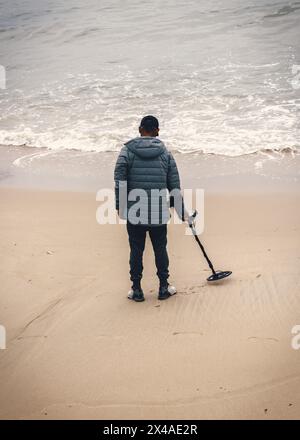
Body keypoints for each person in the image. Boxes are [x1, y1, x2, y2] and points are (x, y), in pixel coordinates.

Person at [114, 115, 190, 302]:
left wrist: (120, 207)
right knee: (160, 249)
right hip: (158, 213)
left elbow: (120, 183)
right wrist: (182, 213)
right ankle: (164, 287)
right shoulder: (166, 154)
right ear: (157, 131)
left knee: (136, 250)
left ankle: (137, 290)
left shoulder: (126, 152)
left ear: (140, 129)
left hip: (135, 212)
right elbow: (174, 187)